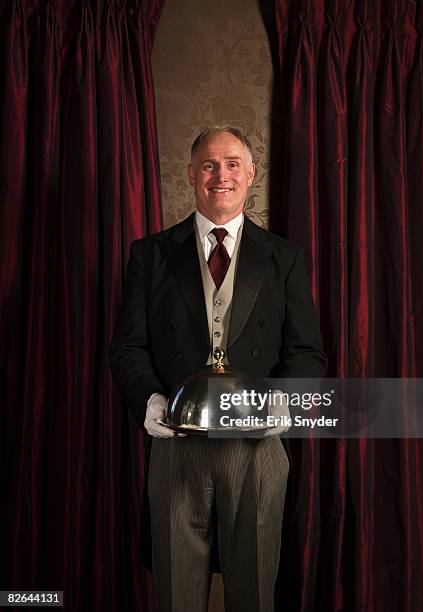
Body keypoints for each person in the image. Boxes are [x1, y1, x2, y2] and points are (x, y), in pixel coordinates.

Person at [109, 126, 327, 611]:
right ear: (191, 174)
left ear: (251, 174)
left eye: (232, 164)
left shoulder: (284, 258)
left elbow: (309, 352)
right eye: (208, 165)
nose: (220, 175)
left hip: (257, 447)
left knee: (252, 596)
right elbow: (128, 348)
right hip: (176, 446)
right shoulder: (149, 254)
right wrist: (150, 399)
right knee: (176, 598)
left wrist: (281, 402)